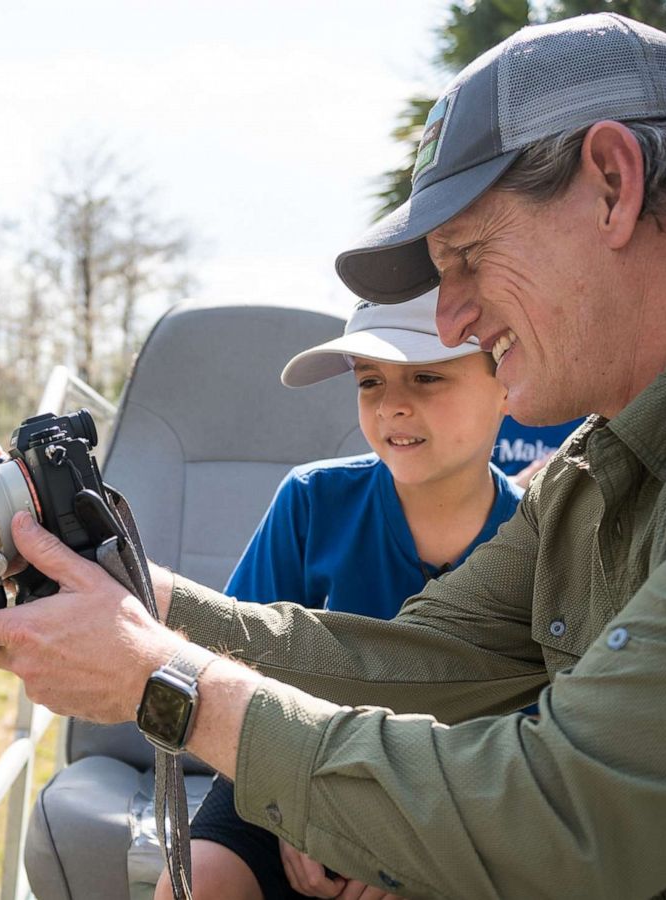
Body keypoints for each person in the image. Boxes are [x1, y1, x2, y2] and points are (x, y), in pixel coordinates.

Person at [0, 13, 666, 898]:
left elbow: (559, 816)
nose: (447, 315)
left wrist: (152, 679)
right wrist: (109, 583)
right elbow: (403, 667)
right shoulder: (600, 465)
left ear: (615, 185)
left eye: (465, 258)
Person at [183, 290, 521, 900]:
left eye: (425, 376)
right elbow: (230, 665)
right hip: (292, 766)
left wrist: (405, 852)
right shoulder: (312, 501)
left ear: (507, 384)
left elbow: (536, 744)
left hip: (457, 810)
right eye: (369, 382)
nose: (392, 404)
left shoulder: (541, 537)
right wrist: (302, 811)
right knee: (202, 879)